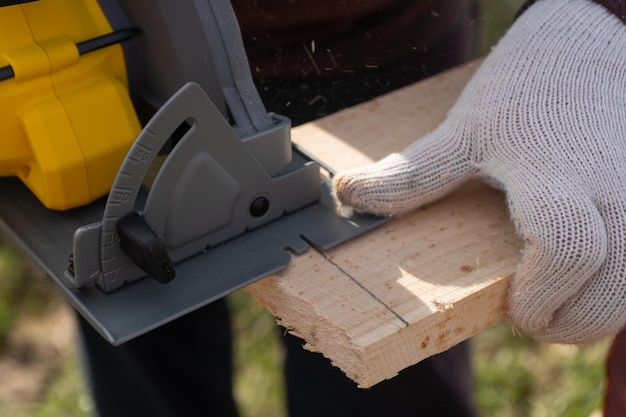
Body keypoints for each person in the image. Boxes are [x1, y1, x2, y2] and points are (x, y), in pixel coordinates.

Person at [78, 0, 626, 416]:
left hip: (376, 41)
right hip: (100, 47)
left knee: (387, 373)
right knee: (129, 318)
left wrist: (598, 22)